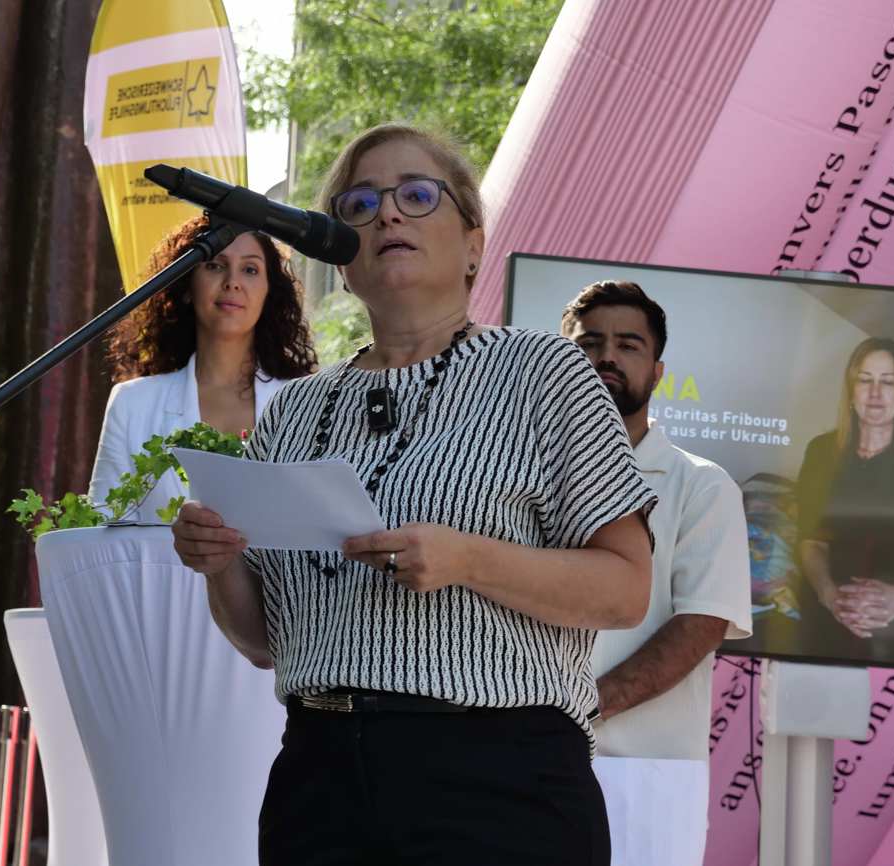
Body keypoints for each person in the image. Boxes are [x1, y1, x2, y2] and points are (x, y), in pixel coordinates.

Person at [172, 123, 657, 866]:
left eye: (417, 195)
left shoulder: (545, 373)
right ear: (340, 255)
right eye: (359, 204)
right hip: (319, 775)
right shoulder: (293, 413)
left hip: (497, 777)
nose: (387, 215)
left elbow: (625, 589)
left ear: (472, 244)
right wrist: (219, 564)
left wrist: (470, 560)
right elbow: (266, 640)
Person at [560, 280, 752, 866]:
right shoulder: (517, 479)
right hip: (523, 755)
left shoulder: (702, 484)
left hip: (644, 770)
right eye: (589, 343)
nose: (606, 358)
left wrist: (577, 706)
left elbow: (701, 624)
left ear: (658, 370)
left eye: (627, 345)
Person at [88, 215, 317, 521]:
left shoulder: (306, 404)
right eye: (215, 265)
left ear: (268, 293)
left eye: (250, 269)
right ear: (186, 286)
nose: (232, 282)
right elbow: (103, 532)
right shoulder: (131, 405)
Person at [795, 336, 894, 662]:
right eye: (865, 381)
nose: (876, 393)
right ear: (851, 392)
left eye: (888, 382)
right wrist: (830, 596)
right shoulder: (821, 451)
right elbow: (811, 543)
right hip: (835, 584)